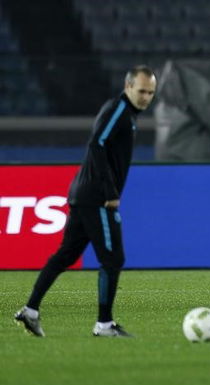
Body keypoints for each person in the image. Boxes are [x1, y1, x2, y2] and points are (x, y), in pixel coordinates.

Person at [15, 65, 157, 337]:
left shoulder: (126, 113)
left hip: (83, 193)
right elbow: (97, 143)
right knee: (113, 259)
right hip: (97, 198)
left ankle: (30, 310)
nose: (146, 97)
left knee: (66, 254)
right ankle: (104, 324)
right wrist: (110, 191)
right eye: (141, 91)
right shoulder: (119, 109)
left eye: (151, 92)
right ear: (128, 87)